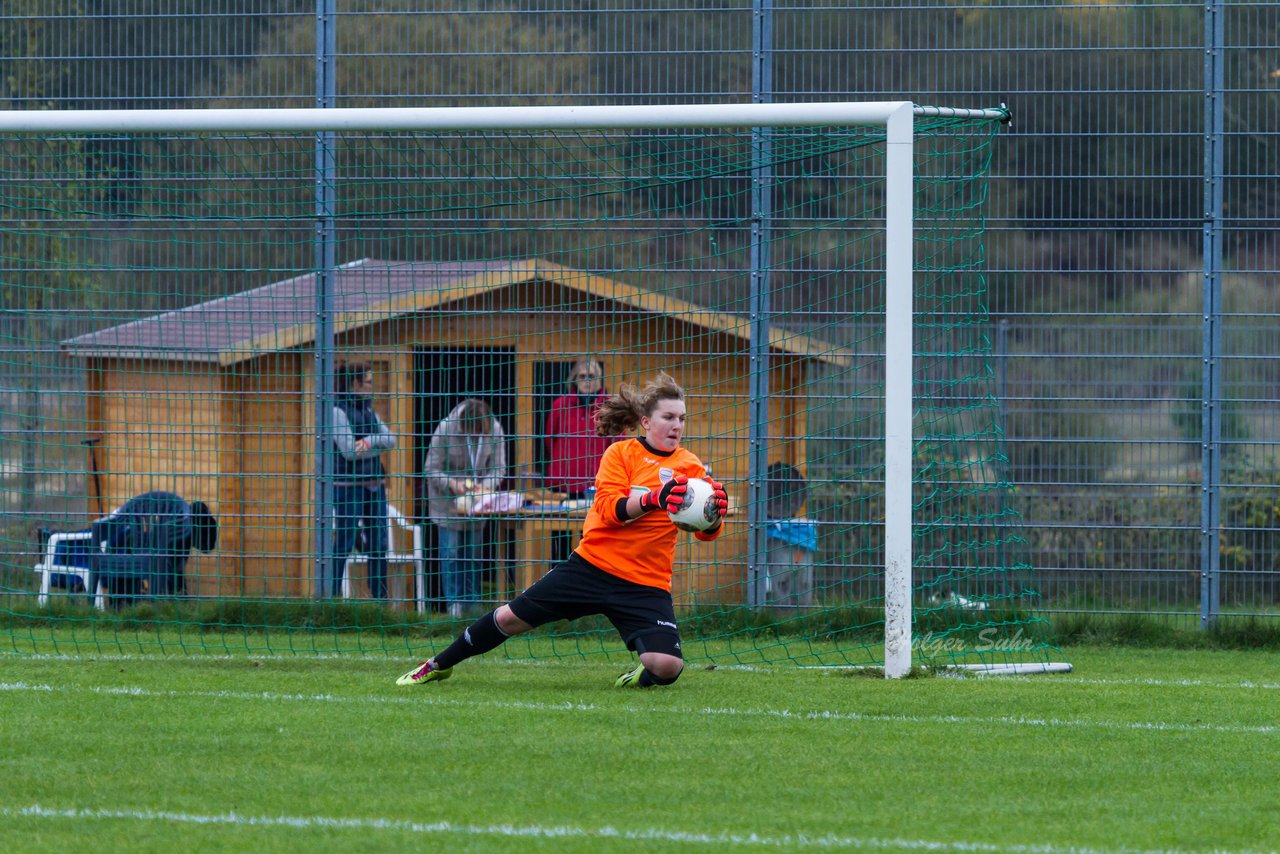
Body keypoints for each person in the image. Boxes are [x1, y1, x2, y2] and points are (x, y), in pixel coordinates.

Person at [397, 371, 728, 690]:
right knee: (511, 618)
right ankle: (437, 665)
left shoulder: (692, 467)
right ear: (646, 422)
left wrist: (714, 515)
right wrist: (654, 498)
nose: (677, 425)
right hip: (592, 567)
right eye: (668, 417)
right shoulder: (621, 454)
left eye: (681, 418)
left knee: (667, 667)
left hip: (646, 581)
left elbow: (703, 533)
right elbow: (611, 511)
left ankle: (638, 675)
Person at [423, 397, 507, 618]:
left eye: (481, 432)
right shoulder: (446, 428)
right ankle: (453, 605)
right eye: (473, 431)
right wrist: (452, 484)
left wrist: (484, 487)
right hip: (447, 504)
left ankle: (473, 607)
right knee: (451, 554)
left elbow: (498, 468)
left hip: (478, 504)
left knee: (473, 555)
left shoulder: (494, 428)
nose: (477, 435)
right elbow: (431, 468)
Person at [331, 362, 397, 599]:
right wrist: (377, 447)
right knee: (345, 542)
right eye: (368, 382)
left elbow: (391, 439)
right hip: (347, 487)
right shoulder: (337, 411)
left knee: (379, 543)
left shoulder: (369, 411)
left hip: (374, 485)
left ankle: (380, 599)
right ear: (355, 383)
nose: (372, 386)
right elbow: (349, 451)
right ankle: (332, 597)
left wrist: (369, 442)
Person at [88, 490, 218, 604]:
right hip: (142, 546)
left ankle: (132, 604)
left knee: (195, 512)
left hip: (160, 546)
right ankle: (160, 601)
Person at [544, 357, 620, 499]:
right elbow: (549, 439)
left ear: (599, 379)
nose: (587, 380)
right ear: (574, 378)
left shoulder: (610, 407)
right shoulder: (560, 404)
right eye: (582, 376)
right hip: (563, 481)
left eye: (591, 376)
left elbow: (618, 444)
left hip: (598, 481)